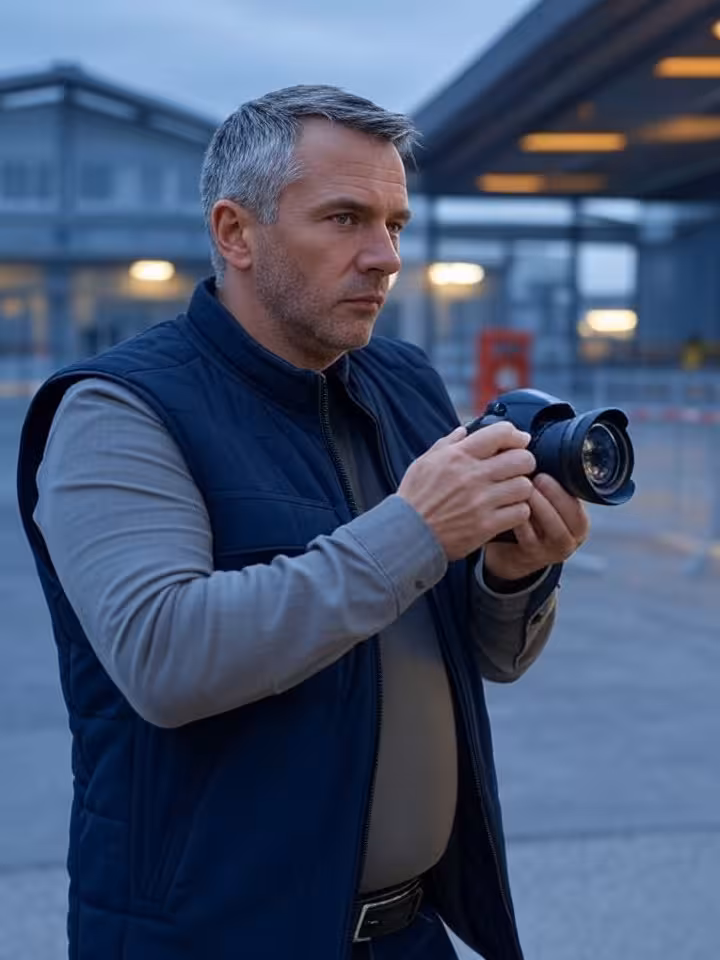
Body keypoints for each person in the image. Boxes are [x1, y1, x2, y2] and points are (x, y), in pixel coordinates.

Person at [16, 86, 589, 960]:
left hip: (409, 933)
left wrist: (514, 576)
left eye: (395, 223)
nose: (385, 257)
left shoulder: (403, 381)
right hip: (213, 938)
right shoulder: (119, 410)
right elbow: (165, 657)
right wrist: (419, 530)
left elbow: (482, 655)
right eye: (346, 218)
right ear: (235, 233)